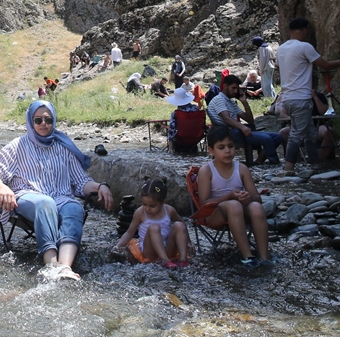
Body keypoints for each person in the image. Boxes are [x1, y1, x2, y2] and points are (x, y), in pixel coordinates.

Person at [0, 101, 113, 282]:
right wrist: (3, 187)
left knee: (74, 207)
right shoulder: (17, 146)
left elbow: (81, 181)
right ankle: (51, 265)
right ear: (30, 122)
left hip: (61, 198)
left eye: (48, 119)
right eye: (38, 120)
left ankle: (65, 267)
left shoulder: (63, 146)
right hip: (28, 197)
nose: (43, 124)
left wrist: (100, 186)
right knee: (46, 203)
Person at [276, 18, 340, 175]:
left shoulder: (281, 49)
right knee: (296, 134)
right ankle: (288, 169)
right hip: (301, 98)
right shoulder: (305, 47)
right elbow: (326, 65)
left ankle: (315, 165)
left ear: (289, 31)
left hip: (287, 98)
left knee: (309, 133)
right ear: (305, 31)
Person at [197, 126, 272, 268]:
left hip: (240, 213)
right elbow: (204, 204)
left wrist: (249, 198)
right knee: (234, 205)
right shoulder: (206, 171)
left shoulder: (241, 168)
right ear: (211, 150)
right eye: (221, 147)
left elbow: (257, 198)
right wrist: (230, 196)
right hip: (214, 215)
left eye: (230, 146)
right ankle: (247, 256)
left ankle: (264, 257)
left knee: (256, 207)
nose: (227, 151)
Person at [113, 179, 190, 268]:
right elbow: (130, 232)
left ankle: (183, 260)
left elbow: (182, 224)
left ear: (163, 202)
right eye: (144, 204)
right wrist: (118, 246)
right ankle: (165, 261)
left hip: (167, 248)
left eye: (152, 206)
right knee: (154, 227)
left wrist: (188, 242)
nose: (147, 209)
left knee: (179, 225)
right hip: (149, 250)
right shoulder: (140, 213)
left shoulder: (169, 210)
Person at [207, 75, 281, 164]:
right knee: (267, 139)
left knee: (277, 137)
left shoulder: (230, 102)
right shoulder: (219, 100)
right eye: (233, 88)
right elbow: (226, 118)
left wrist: (244, 102)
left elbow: (250, 120)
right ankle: (275, 163)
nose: (235, 91)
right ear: (225, 86)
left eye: (237, 89)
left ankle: (259, 160)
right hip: (227, 133)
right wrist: (242, 127)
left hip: (237, 131)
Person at [165, 85, 203, 153]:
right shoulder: (196, 109)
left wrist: (170, 149)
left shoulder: (176, 114)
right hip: (195, 139)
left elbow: (171, 131)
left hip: (181, 141)